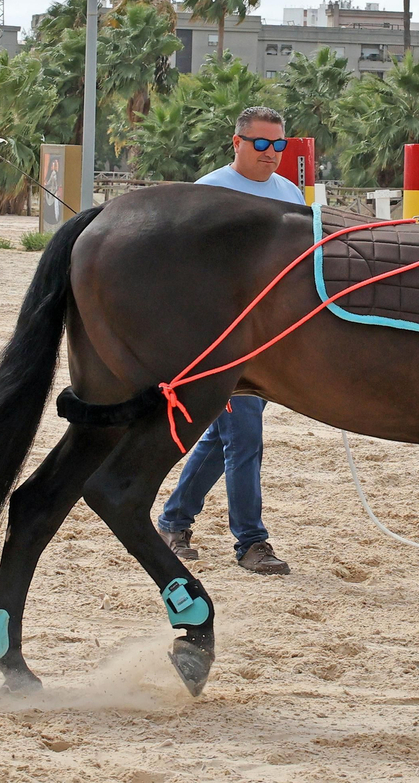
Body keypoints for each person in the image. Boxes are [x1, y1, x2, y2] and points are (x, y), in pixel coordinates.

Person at [156, 106, 300, 575]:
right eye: (261, 144)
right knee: (244, 436)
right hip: (218, 341)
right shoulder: (208, 191)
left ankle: (174, 520)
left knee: (220, 439)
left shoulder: (291, 194)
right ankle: (251, 543)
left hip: (268, 342)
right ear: (236, 143)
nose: (271, 154)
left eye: (279, 145)